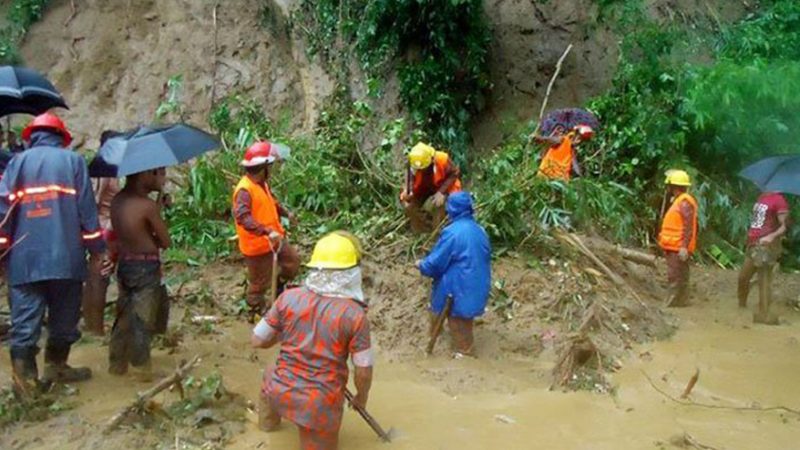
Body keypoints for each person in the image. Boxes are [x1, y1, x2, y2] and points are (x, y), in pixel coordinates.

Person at [0, 112, 110, 392]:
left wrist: (2, 252)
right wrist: (98, 250)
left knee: (25, 321)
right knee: (64, 317)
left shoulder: (16, 163)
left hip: (24, 259)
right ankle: (57, 366)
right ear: (62, 137)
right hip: (66, 256)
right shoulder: (73, 161)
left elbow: (3, 211)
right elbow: (87, 211)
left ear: (31, 137)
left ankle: (25, 381)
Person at [252, 231, 373, 450]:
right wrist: (361, 397)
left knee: (270, 373)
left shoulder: (288, 297)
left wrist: (285, 333)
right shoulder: (355, 316)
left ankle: (267, 427)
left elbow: (258, 340)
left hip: (278, 388)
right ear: (352, 273)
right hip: (317, 403)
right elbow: (363, 371)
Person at [107, 166, 170, 380]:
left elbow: (133, 231)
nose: (162, 179)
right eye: (159, 173)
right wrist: (157, 212)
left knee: (124, 314)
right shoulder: (146, 206)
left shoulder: (117, 201)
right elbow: (165, 241)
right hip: (145, 267)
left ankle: (117, 363)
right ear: (145, 174)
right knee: (143, 318)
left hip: (126, 264)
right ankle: (141, 368)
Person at [416, 192, 491, 357]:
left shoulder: (452, 233)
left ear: (451, 210)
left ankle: (461, 356)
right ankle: (445, 347)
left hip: (458, 291)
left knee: (461, 338)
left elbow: (436, 263)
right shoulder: (480, 231)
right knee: (464, 326)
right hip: (477, 288)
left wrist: (422, 265)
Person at [233, 141, 300, 322]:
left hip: (275, 239)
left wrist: (286, 213)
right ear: (263, 168)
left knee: (292, 262)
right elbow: (242, 216)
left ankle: (278, 288)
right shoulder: (245, 190)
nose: (272, 169)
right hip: (258, 245)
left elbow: (271, 203)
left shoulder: (261, 184)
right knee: (258, 284)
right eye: (270, 166)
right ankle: (255, 313)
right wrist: (266, 231)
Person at [82, 130, 123, 335]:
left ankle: (92, 326)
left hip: (107, 227)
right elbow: (95, 200)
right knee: (99, 279)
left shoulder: (105, 168)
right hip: (107, 228)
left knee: (96, 278)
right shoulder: (106, 170)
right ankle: (95, 328)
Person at [737, 191, 789, 324]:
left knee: (764, 278)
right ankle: (742, 305)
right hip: (754, 243)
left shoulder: (779, 200)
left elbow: (785, 225)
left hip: (767, 245)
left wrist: (771, 236)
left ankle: (764, 313)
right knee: (743, 276)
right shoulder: (762, 197)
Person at [399, 142, 462, 233]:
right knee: (409, 207)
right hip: (423, 188)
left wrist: (441, 192)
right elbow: (410, 178)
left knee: (438, 204)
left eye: (424, 168)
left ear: (431, 160)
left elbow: (454, 173)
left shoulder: (442, 159)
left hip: (443, 186)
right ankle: (423, 231)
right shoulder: (413, 162)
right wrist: (409, 191)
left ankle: (438, 231)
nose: (421, 170)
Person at [657, 169, 698, 307]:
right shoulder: (679, 201)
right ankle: (681, 301)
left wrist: (684, 247)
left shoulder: (684, 202)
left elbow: (688, 226)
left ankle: (672, 302)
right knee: (680, 274)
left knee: (675, 275)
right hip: (674, 245)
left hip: (678, 246)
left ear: (673, 186)